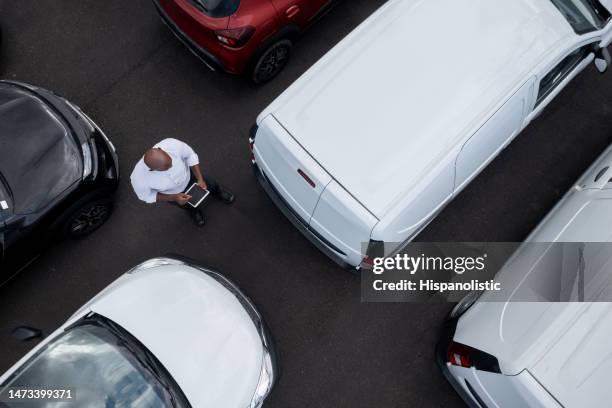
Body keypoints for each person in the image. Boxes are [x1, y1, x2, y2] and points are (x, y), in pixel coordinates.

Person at [130, 138, 234, 226]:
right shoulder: (138, 179)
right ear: (153, 170)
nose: (171, 167)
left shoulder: (171, 144)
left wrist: (200, 178)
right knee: (186, 205)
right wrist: (173, 198)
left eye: (170, 162)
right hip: (172, 194)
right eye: (166, 168)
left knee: (210, 184)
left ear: (162, 150)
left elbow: (190, 155)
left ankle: (218, 191)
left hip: (191, 176)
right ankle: (194, 211)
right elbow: (147, 196)